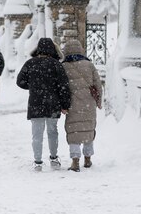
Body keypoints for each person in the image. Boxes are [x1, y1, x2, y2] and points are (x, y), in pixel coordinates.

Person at [16, 38, 71, 171]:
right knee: (52, 131)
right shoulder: (56, 65)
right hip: (53, 103)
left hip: (35, 103)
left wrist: (33, 86)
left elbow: (20, 81)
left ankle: (38, 161)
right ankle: (53, 158)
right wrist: (65, 105)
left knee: (37, 133)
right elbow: (63, 86)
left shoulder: (30, 63)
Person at [61, 39, 102, 172]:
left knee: (74, 131)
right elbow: (98, 85)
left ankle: (75, 161)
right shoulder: (89, 65)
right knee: (88, 131)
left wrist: (62, 104)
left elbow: (61, 87)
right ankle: (88, 159)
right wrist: (99, 101)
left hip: (72, 104)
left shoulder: (64, 66)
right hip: (88, 103)